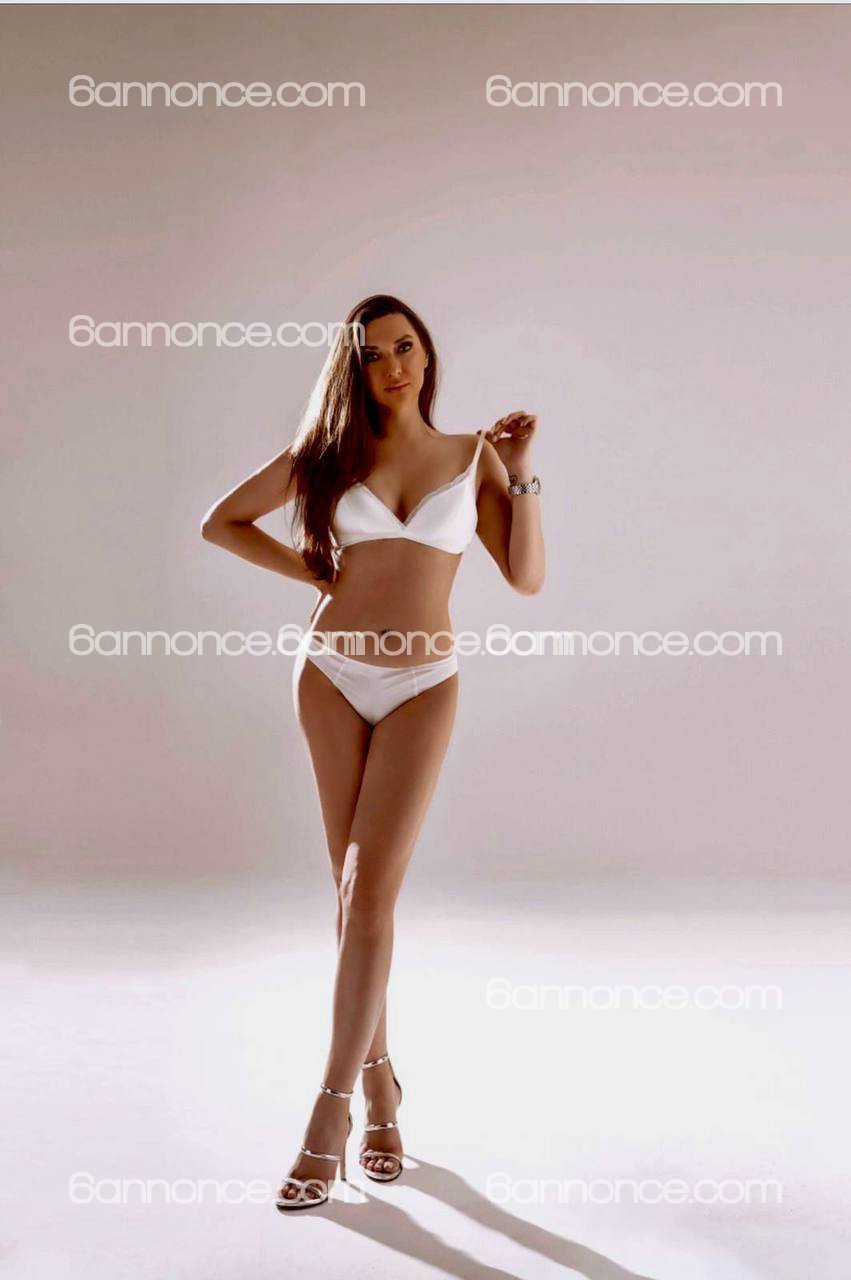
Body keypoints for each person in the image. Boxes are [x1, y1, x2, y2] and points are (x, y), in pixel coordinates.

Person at [200, 293, 545, 1209]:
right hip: (329, 676)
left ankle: (330, 1115)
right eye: (372, 355)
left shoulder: (470, 456)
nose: (392, 366)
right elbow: (221, 522)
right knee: (352, 898)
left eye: (404, 347)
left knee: (369, 891)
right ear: (353, 369)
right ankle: (382, 1088)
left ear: (426, 354)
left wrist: (519, 475)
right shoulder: (327, 454)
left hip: (423, 683)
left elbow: (525, 576)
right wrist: (314, 572)